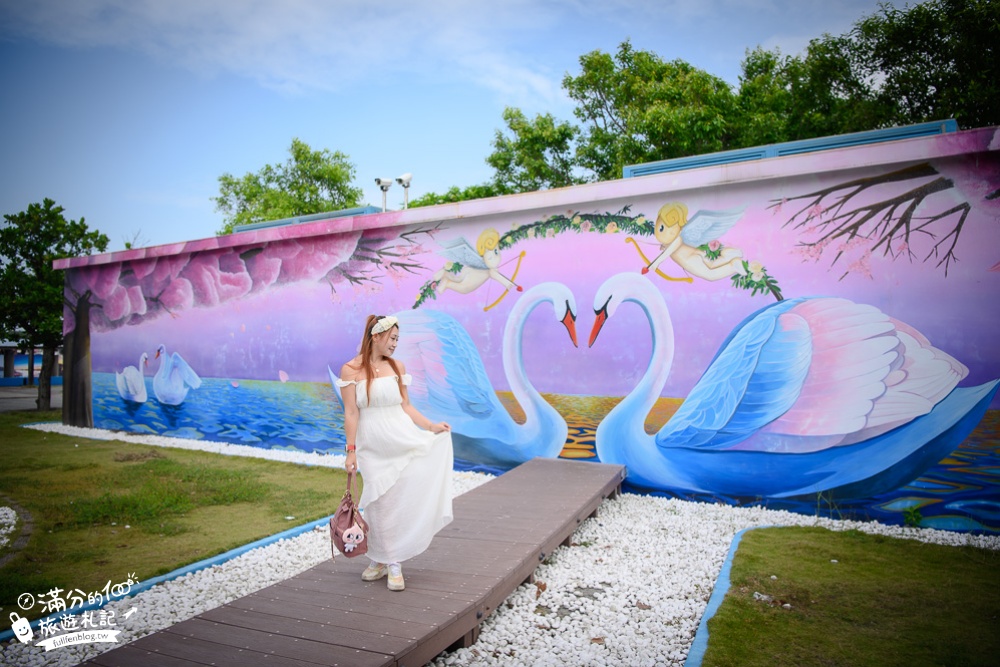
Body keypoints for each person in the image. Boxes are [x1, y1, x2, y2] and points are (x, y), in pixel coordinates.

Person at [337, 314, 454, 591]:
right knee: (378, 502)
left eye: (398, 340)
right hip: (372, 447)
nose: (395, 345)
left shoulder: (397, 367)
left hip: (401, 438)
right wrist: (351, 452)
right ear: (375, 336)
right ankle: (379, 558)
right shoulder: (350, 370)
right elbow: (351, 413)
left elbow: (407, 406)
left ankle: (392, 562)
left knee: (399, 498)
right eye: (392, 339)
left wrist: (431, 426)